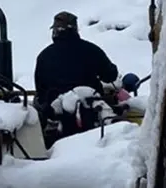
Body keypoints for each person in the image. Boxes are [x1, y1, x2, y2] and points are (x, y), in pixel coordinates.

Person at [33, 11, 119, 145]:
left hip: (57, 116)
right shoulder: (91, 50)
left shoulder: (44, 56)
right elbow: (110, 76)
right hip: (92, 112)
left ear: (56, 31)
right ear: (75, 30)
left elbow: (40, 89)